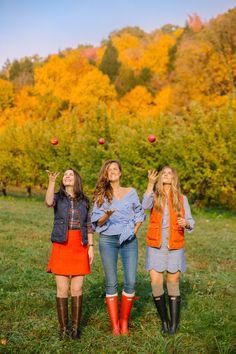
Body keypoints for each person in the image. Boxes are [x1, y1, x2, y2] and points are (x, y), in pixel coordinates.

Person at [91, 160, 145, 336]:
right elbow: (96, 222)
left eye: (115, 169)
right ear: (106, 175)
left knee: (130, 280)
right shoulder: (101, 194)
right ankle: (115, 326)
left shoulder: (131, 192)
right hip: (108, 240)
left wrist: (134, 231)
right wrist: (106, 215)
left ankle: (124, 323)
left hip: (129, 241)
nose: (112, 171)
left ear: (120, 173)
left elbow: (139, 213)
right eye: (109, 170)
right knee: (111, 282)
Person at [142, 166, 195, 335]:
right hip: (156, 245)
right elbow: (145, 205)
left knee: (173, 284)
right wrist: (150, 184)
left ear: (174, 178)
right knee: (156, 285)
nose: (166, 175)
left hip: (174, 244)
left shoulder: (181, 198)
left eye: (169, 173)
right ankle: (164, 321)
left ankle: (173, 326)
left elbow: (191, 221)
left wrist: (185, 223)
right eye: (163, 173)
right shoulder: (155, 196)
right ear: (159, 178)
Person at [45, 168, 94, 340]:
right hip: (62, 244)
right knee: (63, 288)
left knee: (77, 288)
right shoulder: (58, 197)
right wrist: (51, 182)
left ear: (77, 179)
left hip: (79, 245)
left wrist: (91, 246)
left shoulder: (84, 200)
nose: (67, 176)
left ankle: (75, 329)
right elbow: (48, 202)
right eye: (65, 175)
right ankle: (63, 328)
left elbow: (88, 224)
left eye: (70, 174)